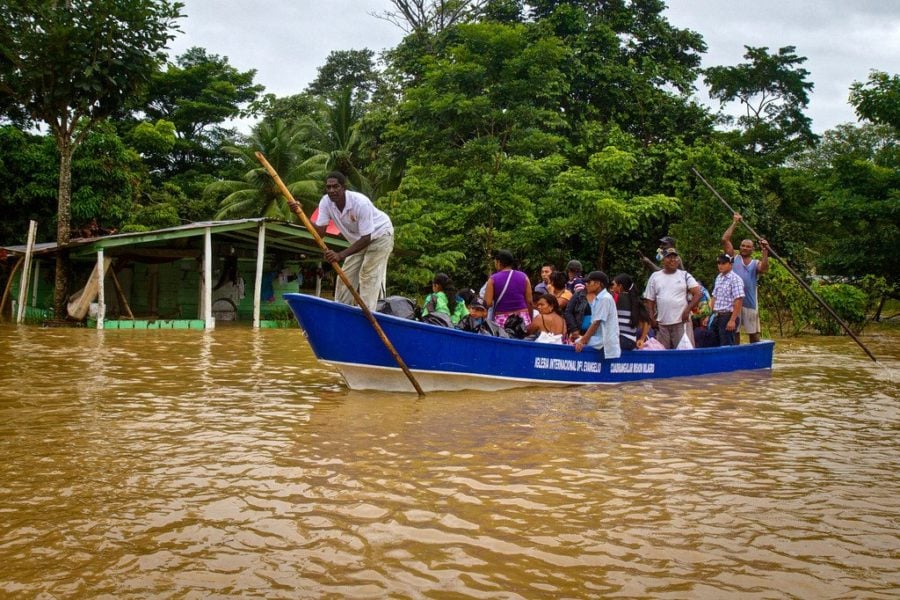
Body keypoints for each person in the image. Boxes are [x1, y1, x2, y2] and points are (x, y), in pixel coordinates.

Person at [302, 171, 394, 310]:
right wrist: (300, 213)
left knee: (368, 274)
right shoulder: (326, 202)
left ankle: (368, 313)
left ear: (344, 187)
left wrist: (340, 255)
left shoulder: (360, 202)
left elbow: (366, 238)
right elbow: (320, 233)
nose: (332, 191)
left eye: (336, 187)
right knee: (345, 275)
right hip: (359, 241)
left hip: (380, 235)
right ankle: (341, 310)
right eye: (329, 187)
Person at [722, 213, 769, 343]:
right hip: (734, 303)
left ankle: (756, 356)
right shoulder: (734, 258)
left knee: (754, 334)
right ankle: (736, 356)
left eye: (748, 246)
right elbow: (725, 240)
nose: (744, 248)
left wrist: (765, 251)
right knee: (734, 332)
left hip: (750, 302)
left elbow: (764, 268)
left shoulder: (755, 263)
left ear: (753, 249)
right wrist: (734, 223)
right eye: (743, 245)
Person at [643, 248, 702, 349]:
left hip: (681, 323)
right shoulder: (655, 277)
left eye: (675, 257)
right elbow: (650, 300)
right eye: (669, 257)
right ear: (663, 260)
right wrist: (652, 318)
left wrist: (687, 310)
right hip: (662, 325)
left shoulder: (685, 275)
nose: (673, 260)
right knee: (662, 353)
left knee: (684, 354)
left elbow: (697, 293)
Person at [574, 271, 621, 358]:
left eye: (589, 282)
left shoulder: (605, 299)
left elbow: (596, 323)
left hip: (604, 340)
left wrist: (582, 341)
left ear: (597, 284)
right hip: (599, 338)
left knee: (576, 343)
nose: (586, 285)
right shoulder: (599, 298)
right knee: (576, 340)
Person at [484, 249, 532, 328]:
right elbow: (529, 301)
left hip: (502, 320)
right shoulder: (524, 276)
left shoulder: (493, 279)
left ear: (499, 262)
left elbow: (488, 303)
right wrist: (530, 319)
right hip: (522, 318)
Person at [710, 253, 745, 346]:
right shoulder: (719, 277)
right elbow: (714, 297)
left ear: (731, 264)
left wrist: (732, 320)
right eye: (719, 263)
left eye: (723, 263)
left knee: (726, 345)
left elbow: (739, 300)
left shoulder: (735, 279)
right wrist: (709, 315)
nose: (720, 265)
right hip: (717, 316)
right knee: (713, 343)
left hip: (728, 316)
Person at [611, 273, 651, 350]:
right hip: (631, 341)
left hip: (619, 340)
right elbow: (647, 322)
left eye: (614, 285)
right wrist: (642, 339)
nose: (612, 287)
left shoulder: (615, 298)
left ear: (620, 286)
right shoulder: (636, 300)